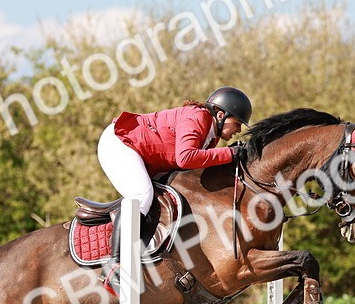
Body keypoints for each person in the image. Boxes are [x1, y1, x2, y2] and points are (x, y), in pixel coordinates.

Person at [98, 86, 252, 289]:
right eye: (237, 123)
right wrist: (229, 154)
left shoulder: (211, 135)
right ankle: (114, 264)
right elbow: (185, 157)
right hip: (121, 145)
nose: (238, 130)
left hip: (147, 157)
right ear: (221, 114)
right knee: (141, 195)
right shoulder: (198, 118)